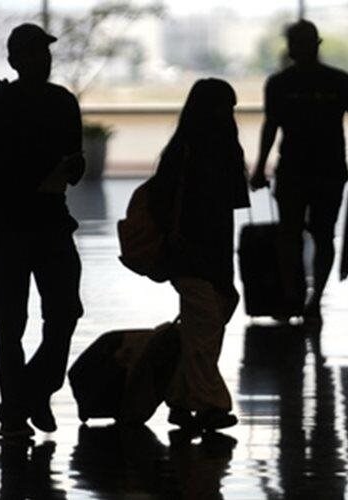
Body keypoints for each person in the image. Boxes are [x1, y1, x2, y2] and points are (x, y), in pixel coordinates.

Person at [0, 23, 85, 438]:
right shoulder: (12, 106)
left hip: (22, 226)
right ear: (14, 60)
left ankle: (20, 399)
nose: (42, 60)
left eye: (44, 53)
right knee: (29, 321)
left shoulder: (12, 106)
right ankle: (29, 396)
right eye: (34, 53)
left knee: (46, 317)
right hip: (31, 225)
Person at [150, 79, 250, 432]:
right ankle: (211, 404)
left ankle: (180, 398)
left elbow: (161, 199)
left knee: (202, 326)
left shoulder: (187, 151)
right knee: (206, 324)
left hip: (198, 253)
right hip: (199, 252)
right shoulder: (214, 152)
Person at [250, 20, 348, 320]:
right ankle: (314, 300)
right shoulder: (339, 81)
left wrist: (260, 167)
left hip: (293, 168)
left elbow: (271, 127)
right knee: (323, 235)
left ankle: (293, 294)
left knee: (289, 234)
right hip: (329, 169)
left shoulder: (280, 84)